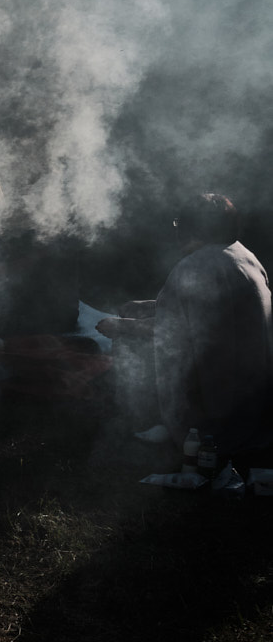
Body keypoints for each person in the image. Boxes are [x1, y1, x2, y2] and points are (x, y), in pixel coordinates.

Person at [105, 193, 273, 463]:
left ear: (192, 227)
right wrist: (148, 305)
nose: (177, 231)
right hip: (255, 405)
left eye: (178, 224)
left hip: (219, 411)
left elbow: (171, 331)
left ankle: (170, 425)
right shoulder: (244, 256)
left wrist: (120, 326)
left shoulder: (194, 266)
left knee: (132, 344)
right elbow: (206, 309)